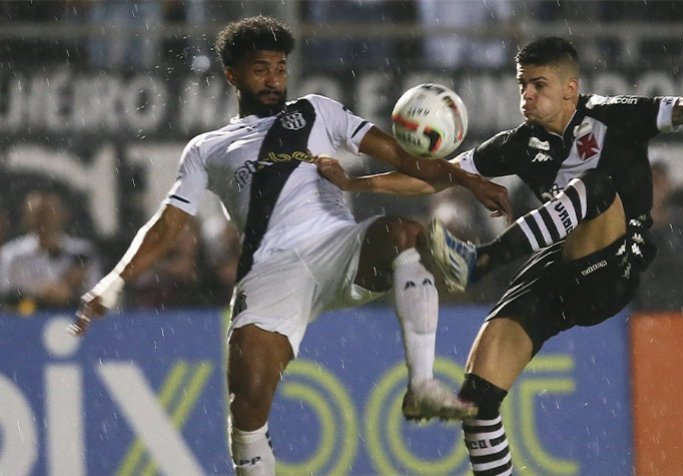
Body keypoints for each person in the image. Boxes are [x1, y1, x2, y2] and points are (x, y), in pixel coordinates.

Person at [316, 37, 683, 474]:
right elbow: (437, 177)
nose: (527, 95)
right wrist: (357, 183)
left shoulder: (615, 116)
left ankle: (481, 260)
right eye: (522, 84)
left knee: (595, 186)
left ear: (570, 90)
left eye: (539, 85)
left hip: (614, 266)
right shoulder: (520, 144)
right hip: (559, 268)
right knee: (476, 402)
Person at [68, 16, 511, 476]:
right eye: (260, 69)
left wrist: (469, 180)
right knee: (247, 406)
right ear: (232, 75)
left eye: (280, 68)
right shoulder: (207, 148)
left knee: (404, 234)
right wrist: (115, 281)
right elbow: (168, 224)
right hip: (270, 272)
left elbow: (406, 159)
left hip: (338, 247)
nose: (273, 80)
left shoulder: (318, 111)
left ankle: (421, 386)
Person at [0, 189, 101, 313]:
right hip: (26, 319)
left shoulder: (82, 253)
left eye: (48, 213)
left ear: (63, 214)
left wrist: (68, 295)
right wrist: (39, 295)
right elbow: (4, 298)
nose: (43, 220)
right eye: (37, 214)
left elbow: (97, 299)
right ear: (26, 217)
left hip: (71, 317)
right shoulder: (12, 254)